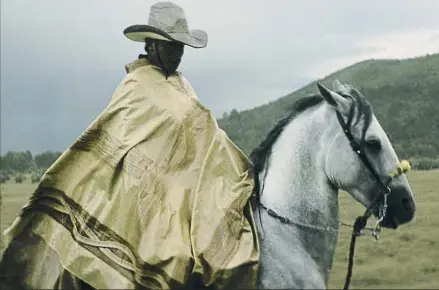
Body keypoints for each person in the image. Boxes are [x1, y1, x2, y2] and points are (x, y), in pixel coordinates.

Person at [0, 2, 259, 289]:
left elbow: (201, 137)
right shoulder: (136, 86)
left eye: (181, 47)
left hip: (183, 194)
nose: (178, 52)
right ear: (151, 45)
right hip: (137, 193)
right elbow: (120, 143)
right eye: (171, 45)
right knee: (163, 256)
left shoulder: (183, 87)